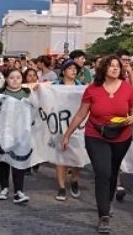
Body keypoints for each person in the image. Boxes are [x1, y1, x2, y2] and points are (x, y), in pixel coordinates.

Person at [62, 55, 133, 234]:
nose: (115, 68)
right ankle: (103, 216)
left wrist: (132, 117)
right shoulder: (92, 89)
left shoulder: (127, 88)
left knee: (112, 173)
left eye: (117, 66)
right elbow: (81, 114)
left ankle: (108, 201)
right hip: (96, 135)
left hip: (121, 136)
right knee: (102, 173)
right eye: (111, 66)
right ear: (103, 69)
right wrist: (67, 134)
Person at [0, 69, 31, 205]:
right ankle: (4, 188)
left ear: (22, 79)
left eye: (18, 77)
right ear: (6, 79)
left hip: (22, 133)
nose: (15, 80)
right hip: (4, 132)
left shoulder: (28, 93)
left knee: (19, 161)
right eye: (12, 77)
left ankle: (18, 191)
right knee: (3, 160)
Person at [53, 59, 85, 201]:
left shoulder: (82, 87)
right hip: (59, 125)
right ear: (64, 71)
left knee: (77, 155)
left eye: (75, 69)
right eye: (70, 68)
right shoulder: (54, 86)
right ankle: (61, 186)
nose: (73, 71)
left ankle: (74, 179)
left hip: (78, 126)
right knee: (60, 156)